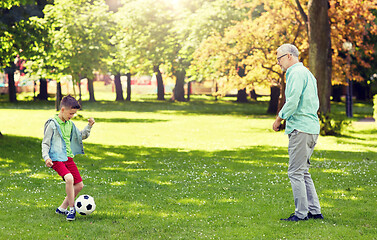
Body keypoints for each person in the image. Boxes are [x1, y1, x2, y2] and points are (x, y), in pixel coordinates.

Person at [272, 44, 324, 221]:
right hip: (311, 128)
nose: (278, 62)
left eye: (279, 58)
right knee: (303, 171)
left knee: (295, 172)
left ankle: (301, 214)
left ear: (288, 56)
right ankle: (315, 211)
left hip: (301, 128)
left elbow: (293, 101)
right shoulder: (308, 73)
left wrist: (279, 118)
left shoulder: (294, 73)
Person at [42, 95, 95, 221]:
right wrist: (46, 157)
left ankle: (61, 208)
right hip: (56, 158)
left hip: (68, 158)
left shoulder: (70, 124)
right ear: (62, 110)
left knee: (79, 185)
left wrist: (89, 126)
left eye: (74, 114)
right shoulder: (52, 124)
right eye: (70, 113)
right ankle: (72, 209)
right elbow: (45, 143)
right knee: (69, 178)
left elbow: (81, 136)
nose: (71, 116)